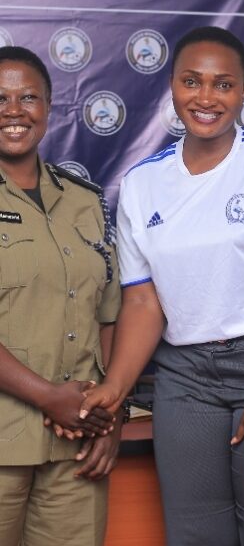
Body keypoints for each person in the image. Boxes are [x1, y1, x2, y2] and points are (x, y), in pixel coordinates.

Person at [81, 26, 244, 546]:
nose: (206, 97)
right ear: (172, 87)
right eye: (191, 81)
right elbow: (143, 300)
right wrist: (116, 387)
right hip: (187, 377)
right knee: (195, 535)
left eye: (223, 84)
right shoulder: (142, 182)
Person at [0, 46, 121, 546]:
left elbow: (109, 316)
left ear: (49, 108)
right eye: (0, 98)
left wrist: (112, 416)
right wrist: (50, 398)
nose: (14, 110)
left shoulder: (85, 201)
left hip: (78, 445)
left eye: (28, 97)